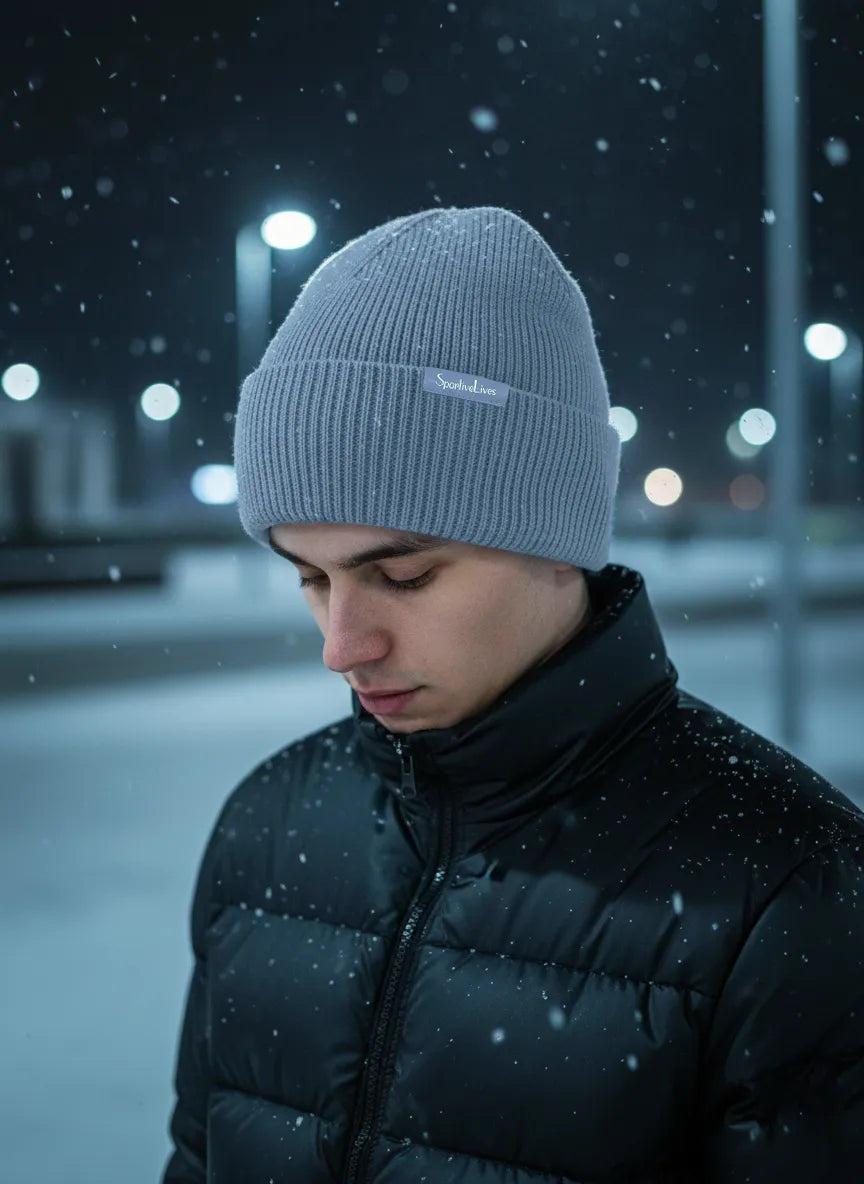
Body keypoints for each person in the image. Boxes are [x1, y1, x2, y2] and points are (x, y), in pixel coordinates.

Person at [161, 206, 864, 1183]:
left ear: (556, 535)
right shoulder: (270, 825)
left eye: (402, 575)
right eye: (310, 577)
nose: (340, 645)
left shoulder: (788, 883)